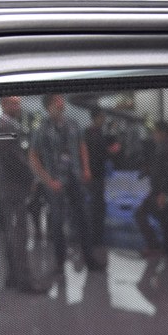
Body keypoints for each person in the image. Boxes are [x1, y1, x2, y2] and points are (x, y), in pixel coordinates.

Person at [29, 94, 99, 285]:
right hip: (56, 181)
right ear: (49, 106)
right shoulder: (42, 129)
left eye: (61, 101)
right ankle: (59, 263)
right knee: (57, 222)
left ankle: (89, 258)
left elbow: (82, 145)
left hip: (75, 177)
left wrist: (86, 168)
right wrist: (47, 180)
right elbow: (33, 156)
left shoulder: (73, 124)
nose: (61, 103)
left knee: (83, 218)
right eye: (57, 101)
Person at [0, 96, 37, 292]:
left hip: (6, 190)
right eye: (14, 103)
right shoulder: (5, 129)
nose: (18, 106)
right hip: (12, 190)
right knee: (18, 235)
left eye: (19, 103)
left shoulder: (2, 128)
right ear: (4, 105)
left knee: (11, 235)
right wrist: (32, 177)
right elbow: (15, 161)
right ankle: (23, 281)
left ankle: (13, 277)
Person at [134, 121, 168, 256]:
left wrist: (164, 193)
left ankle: (156, 246)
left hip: (161, 191)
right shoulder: (166, 147)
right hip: (160, 190)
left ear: (162, 133)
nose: (153, 135)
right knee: (165, 220)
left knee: (142, 214)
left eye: (155, 132)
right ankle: (166, 248)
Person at [83, 107, 109, 264]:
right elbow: (91, 154)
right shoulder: (91, 133)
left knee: (98, 205)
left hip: (98, 173)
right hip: (94, 174)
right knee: (95, 205)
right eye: (102, 116)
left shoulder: (97, 132)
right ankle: (94, 236)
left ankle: (97, 235)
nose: (104, 119)